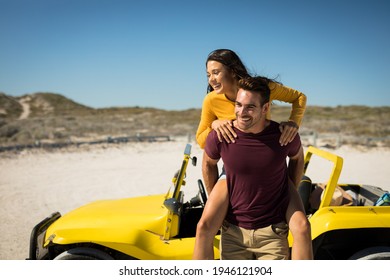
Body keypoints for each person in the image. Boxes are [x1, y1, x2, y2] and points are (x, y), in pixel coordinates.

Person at [193, 49, 312, 259]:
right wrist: (215, 124)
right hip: (233, 166)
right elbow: (203, 140)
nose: (211, 79)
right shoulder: (212, 100)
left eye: (216, 72)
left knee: (302, 226)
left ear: (231, 71)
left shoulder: (262, 87)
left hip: (270, 159)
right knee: (205, 224)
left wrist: (293, 124)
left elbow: (299, 97)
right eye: (208, 75)